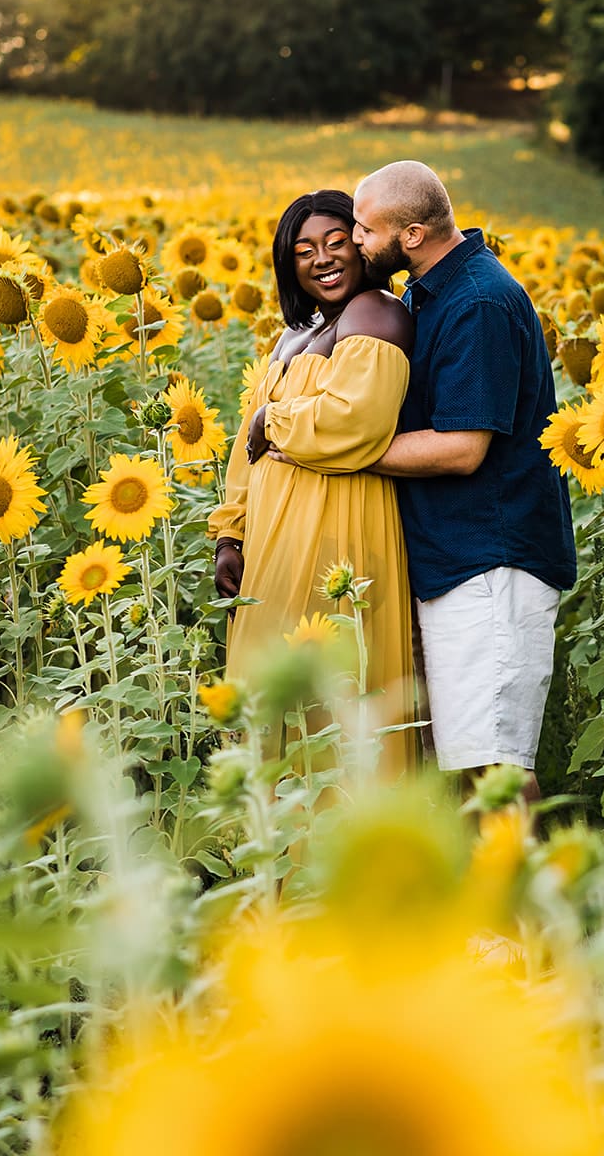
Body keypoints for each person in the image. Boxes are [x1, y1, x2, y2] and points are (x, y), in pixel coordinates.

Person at [351, 161, 576, 801]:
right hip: (455, 557)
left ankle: (537, 904)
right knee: (469, 766)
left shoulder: (477, 301)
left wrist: (339, 450)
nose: (358, 241)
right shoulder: (430, 290)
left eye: (366, 230)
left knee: (497, 768)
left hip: (491, 561)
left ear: (413, 234)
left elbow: (461, 449)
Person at [209, 190, 417, 774]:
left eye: (335, 242)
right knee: (270, 697)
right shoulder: (294, 335)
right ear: (287, 264)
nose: (323, 259)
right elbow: (243, 455)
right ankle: (273, 858)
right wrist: (230, 535)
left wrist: (269, 421)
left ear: (361, 244)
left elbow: (356, 422)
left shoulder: (377, 312)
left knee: (329, 699)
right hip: (274, 540)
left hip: (338, 530)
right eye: (304, 251)